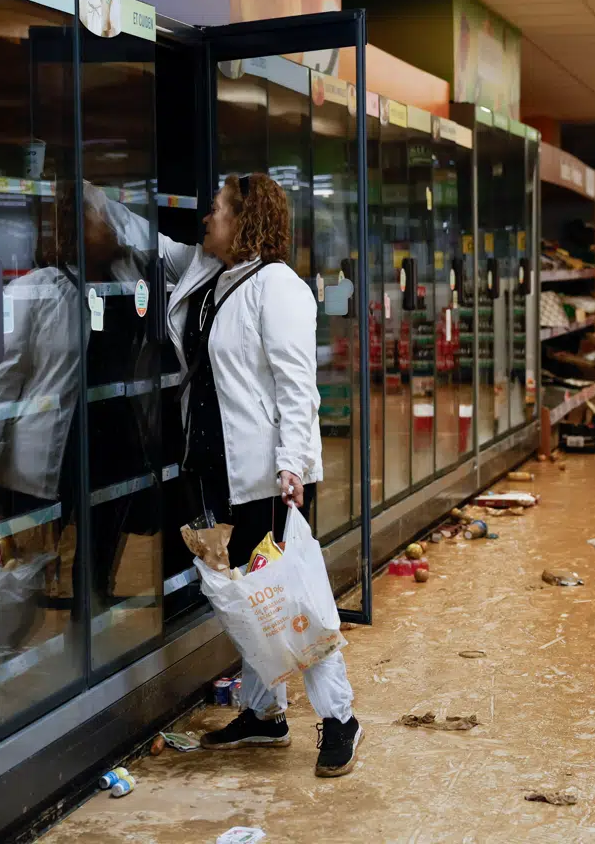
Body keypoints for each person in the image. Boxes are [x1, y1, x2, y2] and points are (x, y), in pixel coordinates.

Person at [161, 173, 361, 778]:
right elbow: (153, 247)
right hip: (217, 464)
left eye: (217, 209)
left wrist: (291, 466)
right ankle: (265, 713)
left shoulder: (279, 287)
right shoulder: (212, 273)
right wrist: (94, 195)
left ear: (244, 220)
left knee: (292, 598)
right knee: (252, 596)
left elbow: (296, 387)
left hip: (266, 474)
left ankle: (341, 717)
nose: (207, 218)